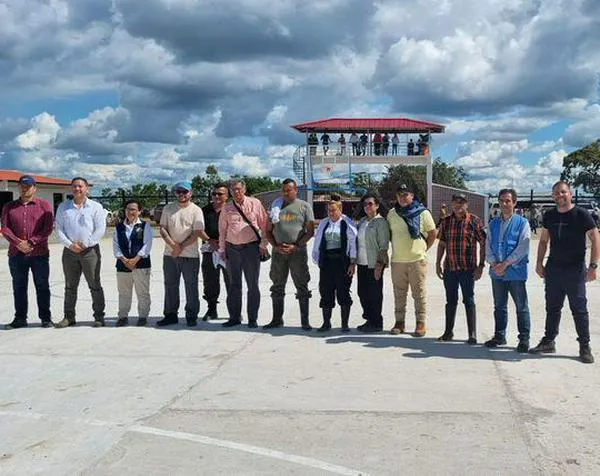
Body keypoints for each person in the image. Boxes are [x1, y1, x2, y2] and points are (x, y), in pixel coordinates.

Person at [530, 180, 600, 364]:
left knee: (579, 309)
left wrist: (593, 266)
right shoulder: (550, 215)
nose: (560, 195)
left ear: (570, 193)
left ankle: (584, 346)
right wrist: (539, 263)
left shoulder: (581, 215)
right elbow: (544, 241)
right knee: (552, 307)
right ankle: (549, 341)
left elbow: (595, 238)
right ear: (553, 196)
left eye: (563, 192)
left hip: (575, 270)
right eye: (556, 193)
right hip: (554, 269)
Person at [2, 175, 54, 329]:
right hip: (16, 255)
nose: (25, 188)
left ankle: (45, 318)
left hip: (39, 254)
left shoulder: (44, 205)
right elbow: (5, 228)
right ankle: (20, 318)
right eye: (22, 186)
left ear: (35, 188)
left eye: (28, 186)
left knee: (42, 286)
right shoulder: (9, 207)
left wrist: (31, 242)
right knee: (19, 287)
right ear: (19, 187)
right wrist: (18, 243)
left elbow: (48, 228)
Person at [55, 177, 108, 328]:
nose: (77, 189)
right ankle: (69, 317)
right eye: (74, 186)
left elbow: (100, 229)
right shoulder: (63, 207)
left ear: (87, 189)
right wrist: (70, 245)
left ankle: (99, 317)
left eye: (80, 186)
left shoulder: (96, 207)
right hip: (70, 252)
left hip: (90, 251)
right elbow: (59, 229)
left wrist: (86, 244)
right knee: (70, 286)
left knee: (94, 284)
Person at [264, 179, 315, 330]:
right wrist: (275, 246)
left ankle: (305, 321)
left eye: (289, 190)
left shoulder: (304, 206)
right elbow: (267, 230)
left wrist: (296, 246)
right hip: (279, 252)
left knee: (302, 285)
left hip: (297, 253)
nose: (286, 193)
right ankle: (276, 319)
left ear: (296, 190)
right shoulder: (276, 207)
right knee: (277, 285)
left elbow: (310, 231)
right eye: (284, 190)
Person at [484, 189, 531, 352]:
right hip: (496, 272)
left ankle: (524, 339)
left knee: (521, 306)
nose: (504, 204)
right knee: (499, 306)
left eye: (508, 201)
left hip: (515, 272)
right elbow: (488, 245)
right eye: (502, 201)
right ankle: (499, 335)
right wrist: (494, 263)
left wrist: (505, 264)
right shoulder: (493, 223)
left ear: (514, 202)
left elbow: (523, 246)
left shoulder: (522, 223)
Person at [436, 193, 486, 344]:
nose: (458, 205)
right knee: (450, 300)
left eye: (461, 202)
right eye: (455, 202)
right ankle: (448, 332)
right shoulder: (446, 222)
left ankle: (472, 334)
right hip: (450, 268)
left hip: (468, 269)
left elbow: (484, 244)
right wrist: (437, 263)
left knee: (469, 300)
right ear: (452, 204)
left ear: (466, 204)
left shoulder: (475, 221)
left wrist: (481, 266)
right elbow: (442, 244)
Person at [387, 184, 437, 336]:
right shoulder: (392, 213)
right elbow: (389, 234)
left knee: (419, 293)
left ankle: (420, 323)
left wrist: (422, 249)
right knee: (399, 293)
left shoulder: (422, 213)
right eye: (400, 194)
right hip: (397, 261)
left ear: (412, 196)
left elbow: (433, 233)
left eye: (405, 194)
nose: (402, 197)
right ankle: (399, 322)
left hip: (417, 260)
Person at [219, 179, 269, 328]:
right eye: (233, 190)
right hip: (232, 249)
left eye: (239, 189)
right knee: (234, 284)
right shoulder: (227, 208)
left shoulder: (255, 204)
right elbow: (222, 230)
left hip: (250, 249)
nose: (236, 192)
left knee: (252, 284)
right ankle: (234, 317)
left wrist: (263, 244)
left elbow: (265, 225)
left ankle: (252, 319)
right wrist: (222, 250)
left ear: (244, 189)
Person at [158, 181, 205, 327]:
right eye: (179, 192)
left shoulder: (196, 210)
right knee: (170, 285)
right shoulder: (168, 208)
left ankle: (191, 315)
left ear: (191, 193)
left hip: (190, 255)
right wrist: (173, 246)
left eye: (185, 192)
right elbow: (163, 228)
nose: (182, 195)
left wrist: (181, 247)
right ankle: (171, 314)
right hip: (170, 254)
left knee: (191, 286)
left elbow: (197, 232)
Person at [312, 195, 357, 332]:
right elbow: (318, 241)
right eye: (329, 210)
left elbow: (353, 243)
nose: (331, 213)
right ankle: (326, 323)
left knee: (343, 291)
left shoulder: (347, 223)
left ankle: (344, 324)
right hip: (327, 262)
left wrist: (352, 262)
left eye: (334, 210)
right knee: (326, 291)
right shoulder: (324, 223)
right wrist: (317, 258)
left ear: (340, 209)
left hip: (342, 262)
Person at [113, 199, 153, 327]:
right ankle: (123, 316)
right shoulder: (119, 227)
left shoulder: (145, 226)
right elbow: (116, 245)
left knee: (142, 292)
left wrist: (135, 259)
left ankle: (142, 316)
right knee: (124, 293)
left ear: (139, 211)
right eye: (128, 209)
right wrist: (124, 260)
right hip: (123, 265)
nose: (130, 212)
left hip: (141, 264)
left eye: (133, 209)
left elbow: (147, 244)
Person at [355, 193, 390, 333]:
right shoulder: (363, 221)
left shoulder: (381, 222)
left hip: (374, 264)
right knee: (362, 292)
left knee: (374, 294)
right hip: (361, 263)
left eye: (370, 203)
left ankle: (376, 323)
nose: (367, 206)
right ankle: (369, 319)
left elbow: (384, 245)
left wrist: (380, 264)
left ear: (377, 205)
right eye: (365, 204)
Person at [200, 183, 231, 321]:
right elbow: (198, 229)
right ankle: (212, 309)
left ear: (227, 195)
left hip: (229, 250)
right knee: (210, 281)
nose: (217, 196)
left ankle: (234, 311)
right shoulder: (204, 210)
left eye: (220, 194)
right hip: (209, 249)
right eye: (214, 194)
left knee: (231, 280)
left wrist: (224, 242)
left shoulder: (232, 209)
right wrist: (210, 240)